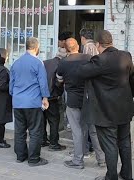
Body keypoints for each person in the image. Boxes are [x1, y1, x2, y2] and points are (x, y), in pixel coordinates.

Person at [75, 30, 134, 180]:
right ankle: (127, 175)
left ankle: (111, 177)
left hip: (105, 112)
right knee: (125, 142)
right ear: (112, 42)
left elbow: (80, 72)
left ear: (98, 44)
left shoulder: (99, 60)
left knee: (110, 145)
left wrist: (89, 57)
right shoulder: (126, 56)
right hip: (124, 109)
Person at [10, 37, 50, 166]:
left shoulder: (16, 63)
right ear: (36, 48)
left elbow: (11, 86)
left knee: (19, 131)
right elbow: (43, 83)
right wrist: (45, 98)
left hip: (18, 102)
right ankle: (33, 159)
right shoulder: (38, 62)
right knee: (35, 131)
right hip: (32, 102)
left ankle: (20, 157)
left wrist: (16, 95)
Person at [56, 38, 91, 169]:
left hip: (72, 99)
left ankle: (78, 160)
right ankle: (87, 153)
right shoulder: (89, 58)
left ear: (66, 48)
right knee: (85, 128)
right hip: (87, 98)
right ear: (78, 46)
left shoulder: (63, 62)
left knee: (76, 130)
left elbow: (59, 79)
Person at [79, 28, 106, 166]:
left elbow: (87, 70)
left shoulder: (87, 48)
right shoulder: (96, 48)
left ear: (83, 37)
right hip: (96, 92)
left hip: (89, 93)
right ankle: (98, 157)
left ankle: (91, 154)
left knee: (90, 127)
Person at [42, 48, 67, 151]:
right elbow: (58, 82)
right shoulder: (61, 66)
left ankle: (42, 140)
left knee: (42, 120)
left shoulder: (44, 62)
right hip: (52, 97)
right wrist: (59, 92)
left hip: (41, 96)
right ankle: (53, 143)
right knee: (54, 120)